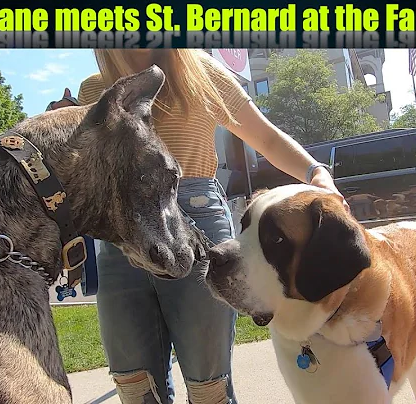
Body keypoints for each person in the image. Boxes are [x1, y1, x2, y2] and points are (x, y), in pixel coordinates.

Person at [49, 49, 347, 404]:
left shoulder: (199, 72)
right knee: (134, 386)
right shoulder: (95, 89)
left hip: (197, 221)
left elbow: (265, 138)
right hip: (123, 241)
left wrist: (316, 171)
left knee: (209, 388)